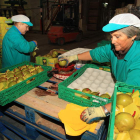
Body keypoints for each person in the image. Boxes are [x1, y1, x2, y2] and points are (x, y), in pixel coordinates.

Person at [58, 13, 140, 123]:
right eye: (111, 36)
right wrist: (74, 57)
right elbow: (96, 53)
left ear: (133, 36)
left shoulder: (137, 58)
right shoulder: (115, 48)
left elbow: (130, 93)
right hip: (121, 87)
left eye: (117, 36)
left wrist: (103, 110)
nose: (112, 41)